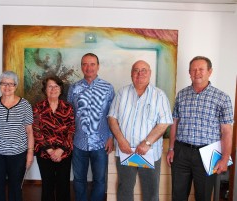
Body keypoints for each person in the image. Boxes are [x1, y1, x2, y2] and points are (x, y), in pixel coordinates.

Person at [166, 56, 234, 201]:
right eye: (193, 70)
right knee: (177, 195)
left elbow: (227, 131)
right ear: (189, 73)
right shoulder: (181, 95)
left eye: (201, 69)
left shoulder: (222, 98)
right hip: (181, 153)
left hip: (207, 154)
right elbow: (175, 123)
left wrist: (225, 157)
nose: (197, 72)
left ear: (210, 72)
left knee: (203, 196)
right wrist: (171, 148)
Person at [108, 60, 173, 201]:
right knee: (124, 189)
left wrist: (147, 143)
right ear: (131, 74)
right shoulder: (122, 93)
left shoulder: (159, 95)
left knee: (151, 191)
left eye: (144, 70)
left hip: (149, 152)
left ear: (150, 73)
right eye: (136, 70)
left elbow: (165, 122)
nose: (140, 73)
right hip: (125, 151)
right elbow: (112, 118)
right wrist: (120, 140)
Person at [67, 53, 115, 201]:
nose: (88, 68)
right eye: (85, 64)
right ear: (81, 66)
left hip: (101, 143)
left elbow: (113, 115)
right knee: (79, 179)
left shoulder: (108, 88)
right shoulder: (73, 88)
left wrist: (111, 137)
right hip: (78, 142)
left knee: (99, 180)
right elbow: (69, 114)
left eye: (92, 64)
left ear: (98, 66)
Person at [0, 71, 34, 201]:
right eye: (4, 83)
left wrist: (30, 153)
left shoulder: (25, 105)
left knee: (16, 187)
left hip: (18, 153)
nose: (7, 87)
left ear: (16, 86)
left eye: (11, 84)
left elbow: (29, 131)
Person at [33, 75, 75, 201]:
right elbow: (36, 130)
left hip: (64, 153)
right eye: (49, 86)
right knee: (47, 185)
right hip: (45, 153)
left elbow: (71, 130)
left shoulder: (68, 107)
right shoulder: (37, 108)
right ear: (45, 90)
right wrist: (50, 151)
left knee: (63, 185)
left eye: (56, 86)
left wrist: (61, 150)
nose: (53, 89)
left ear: (61, 89)